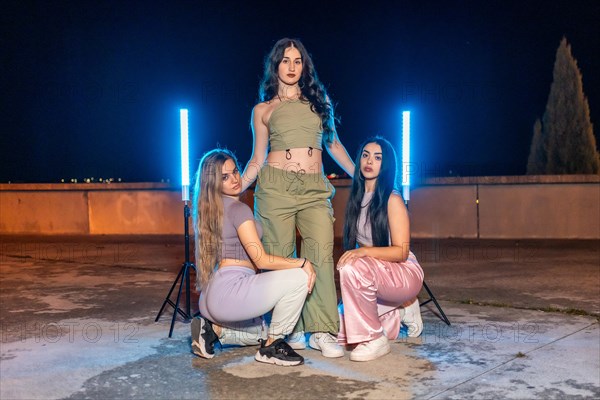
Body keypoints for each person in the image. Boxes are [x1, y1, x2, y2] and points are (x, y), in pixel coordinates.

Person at [240, 38, 355, 358]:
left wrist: (361, 174)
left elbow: (334, 146)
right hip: (275, 188)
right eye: (285, 60)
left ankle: (321, 330)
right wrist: (236, 187)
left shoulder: (320, 103)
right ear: (275, 65)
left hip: (314, 189)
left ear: (304, 67)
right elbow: (256, 158)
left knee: (319, 253)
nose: (291, 67)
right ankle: (288, 330)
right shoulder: (262, 110)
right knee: (279, 257)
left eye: (298, 61)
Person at [190, 149, 317, 367]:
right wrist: (303, 262)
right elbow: (261, 260)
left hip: (212, 294)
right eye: (224, 177)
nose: (235, 179)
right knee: (299, 277)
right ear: (213, 182)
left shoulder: (211, 208)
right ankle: (272, 346)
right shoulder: (239, 209)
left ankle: (213, 330)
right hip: (233, 290)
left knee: (259, 331)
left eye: (235, 172)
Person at [337, 136, 424, 362]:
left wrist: (363, 252)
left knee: (352, 266)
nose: (369, 161)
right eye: (365, 155)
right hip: (378, 270)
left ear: (386, 165)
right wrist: (361, 253)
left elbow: (401, 252)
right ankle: (400, 310)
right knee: (338, 330)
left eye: (377, 157)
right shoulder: (357, 198)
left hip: (403, 272)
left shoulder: (392, 199)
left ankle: (375, 339)